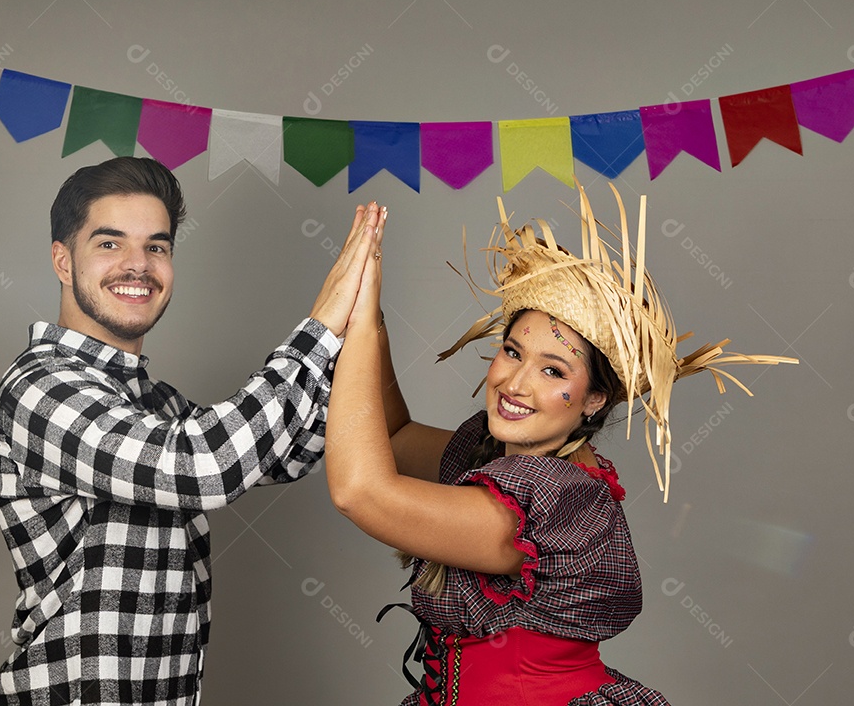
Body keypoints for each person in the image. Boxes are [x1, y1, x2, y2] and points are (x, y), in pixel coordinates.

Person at [324, 181, 795, 705]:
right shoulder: (495, 454)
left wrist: (360, 324)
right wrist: (368, 317)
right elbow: (393, 436)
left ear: (594, 399)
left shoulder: (555, 503)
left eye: (552, 370)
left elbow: (359, 491)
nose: (515, 383)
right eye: (512, 351)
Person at [0, 156, 385, 705]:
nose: (137, 265)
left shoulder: (153, 402)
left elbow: (292, 451)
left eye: (157, 246)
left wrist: (361, 323)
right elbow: (206, 467)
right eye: (109, 244)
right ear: (61, 260)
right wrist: (322, 325)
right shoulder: (40, 387)